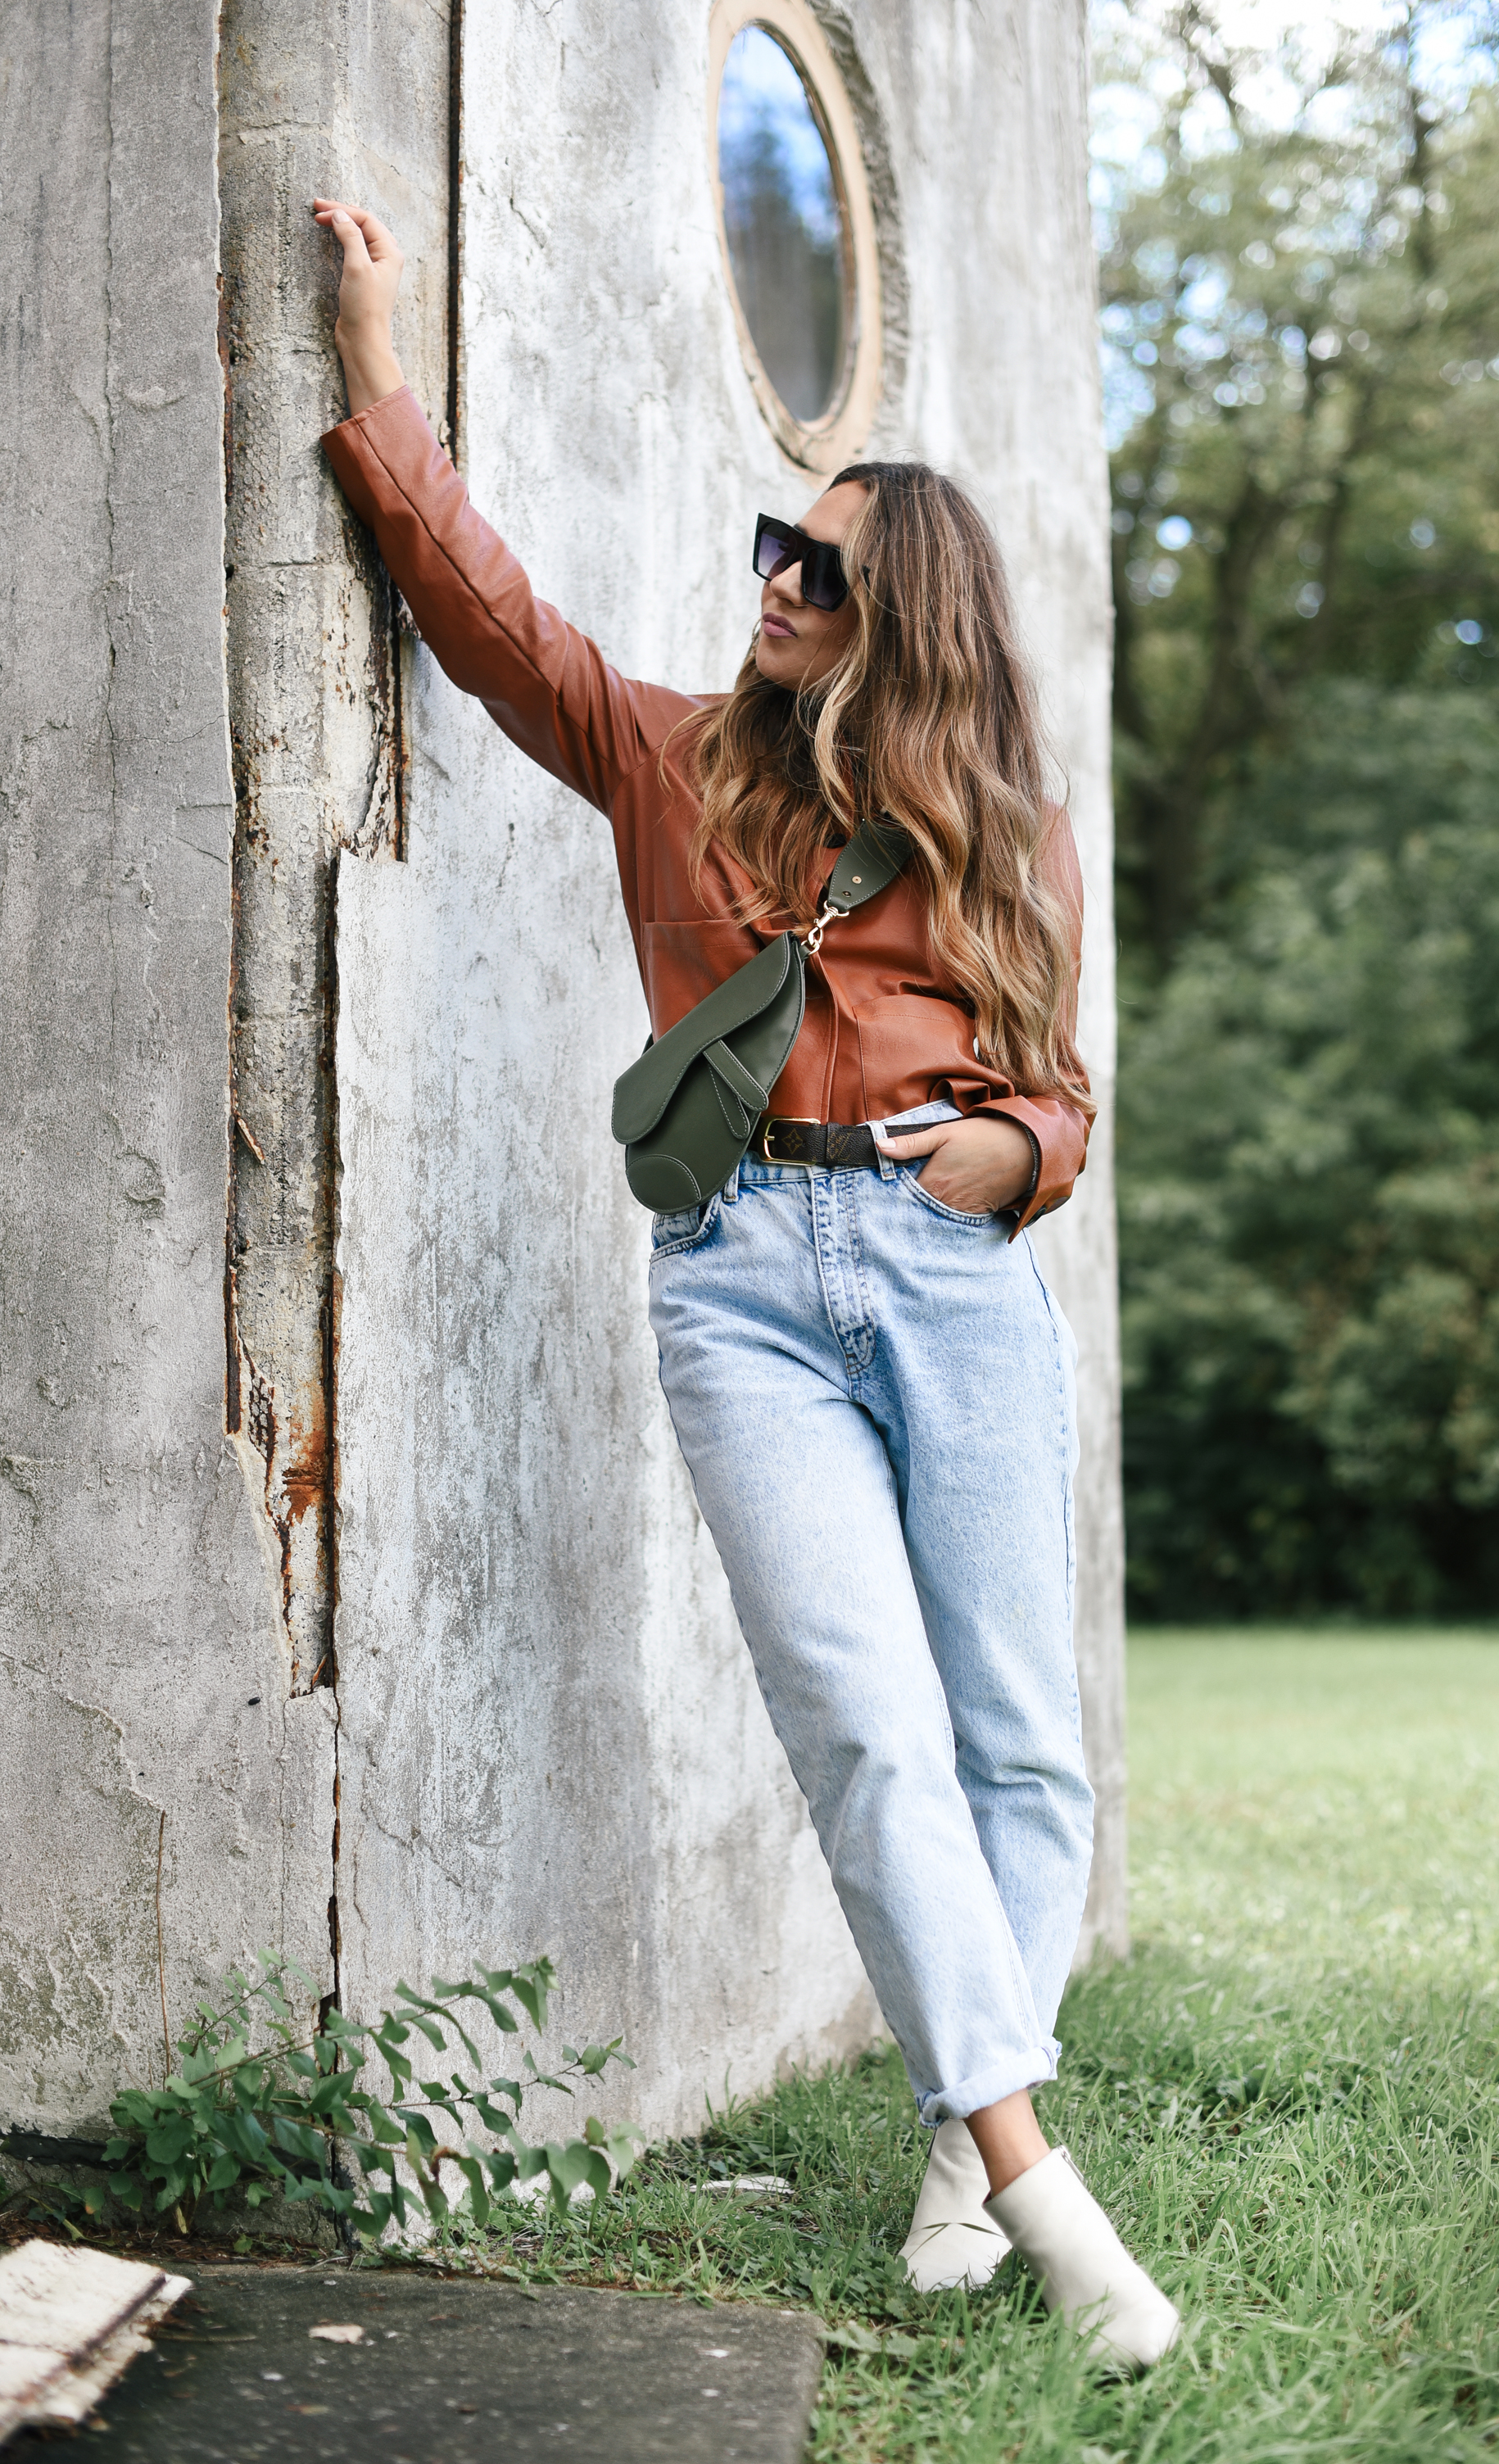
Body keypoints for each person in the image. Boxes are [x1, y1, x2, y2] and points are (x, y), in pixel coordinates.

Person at [311, 195, 1180, 2373]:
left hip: (950, 1268)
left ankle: (952, 2152)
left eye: (819, 570)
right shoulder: (676, 759)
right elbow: (494, 622)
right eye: (768, 553)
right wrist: (375, 366)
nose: (773, 585)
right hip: (740, 1280)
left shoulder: (1008, 834)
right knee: (868, 1735)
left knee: (1019, 1751)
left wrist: (1008, 1150)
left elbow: (1061, 1096)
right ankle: (1042, 2187)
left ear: (911, 619)